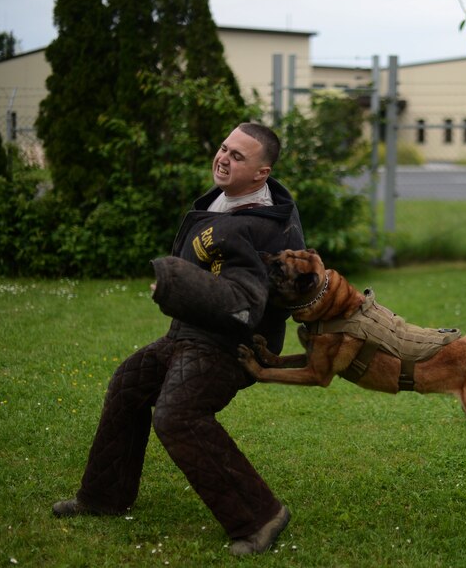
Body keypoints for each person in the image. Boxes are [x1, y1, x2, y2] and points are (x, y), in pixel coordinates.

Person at [52, 122, 305, 556]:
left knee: (177, 415)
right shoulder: (226, 202)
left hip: (234, 347)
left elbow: (246, 304)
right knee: (129, 384)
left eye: (237, 156)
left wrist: (175, 284)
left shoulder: (261, 230)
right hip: (190, 335)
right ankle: (104, 497)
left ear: (261, 174)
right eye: (223, 147)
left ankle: (261, 516)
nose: (223, 158)